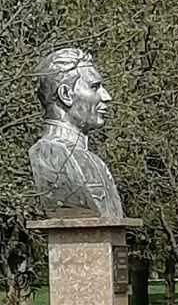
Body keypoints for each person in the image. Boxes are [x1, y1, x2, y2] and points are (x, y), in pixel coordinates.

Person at [29, 48, 124, 219]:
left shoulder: (95, 161)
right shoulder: (49, 155)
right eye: (94, 87)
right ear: (66, 94)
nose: (106, 96)